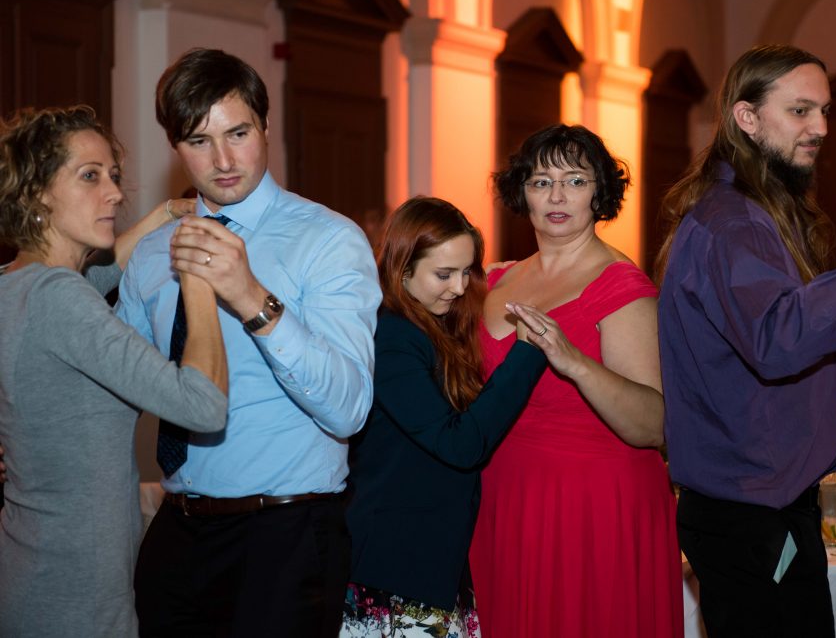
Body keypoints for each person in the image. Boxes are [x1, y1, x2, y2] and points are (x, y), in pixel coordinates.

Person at [657, 44, 836, 637]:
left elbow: (810, 343)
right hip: (751, 514)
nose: (820, 128)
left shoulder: (756, 212)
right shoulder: (734, 222)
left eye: (825, 111)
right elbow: (782, 339)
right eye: (800, 111)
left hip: (757, 508)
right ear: (747, 118)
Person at [119, 48, 381, 636]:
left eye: (237, 133)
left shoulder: (328, 240)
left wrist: (251, 298)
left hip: (285, 533)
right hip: (177, 528)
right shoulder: (153, 253)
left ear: (265, 124)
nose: (223, 160)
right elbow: (119, 387)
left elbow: (349, 408)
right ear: (175, 146)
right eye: (199, 141)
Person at [0, 105, 228, 637]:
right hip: (75, 590)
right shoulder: (60, 300)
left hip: (32, 567)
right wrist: (199, 282)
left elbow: (95, 277)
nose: (115, 193)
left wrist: (166, 213)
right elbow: (202, 406)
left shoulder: (15, 282)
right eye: (90, 176)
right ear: (37, 194)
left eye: (114, 175)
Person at [469, 124, 684, 638]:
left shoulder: (621, 286)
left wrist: (575, 362)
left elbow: (653, 425)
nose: (557, 196)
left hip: (592, 505)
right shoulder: (496, 279)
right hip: (504, 497)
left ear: (599, 193)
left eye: (575, 181)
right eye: (541, 182)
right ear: (522, 193)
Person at [342, 196, 550, 637]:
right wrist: (527, 353)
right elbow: (460, 445)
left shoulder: (428, 326)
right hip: (395, 569)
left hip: (427, 563)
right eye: (444, 274)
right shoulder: (392, 336)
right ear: (402, 270)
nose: (458, 287)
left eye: (466, 271)